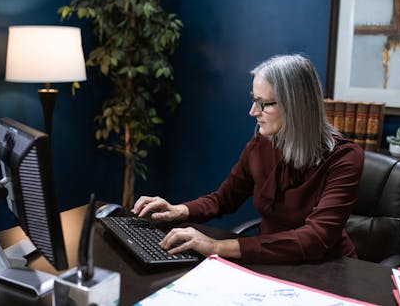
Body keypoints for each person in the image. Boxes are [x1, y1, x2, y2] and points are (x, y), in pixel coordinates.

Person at [132, 54, 365, 264]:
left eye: (263, 104)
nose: (253, 112)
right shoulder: (260, 145)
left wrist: (217, 247)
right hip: (269, 261)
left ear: (294, 106)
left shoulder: (344, 158)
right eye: (254, 99)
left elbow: (316, 238)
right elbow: (223, 199)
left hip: (329, 269)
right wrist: (178, 210)